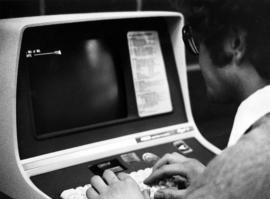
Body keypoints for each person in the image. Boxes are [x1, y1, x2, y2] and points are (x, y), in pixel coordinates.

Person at [86, 0, 270, 198]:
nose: (199, 61)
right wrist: (214, 182)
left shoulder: (251, 158)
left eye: (198, 44)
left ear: (234, 43)